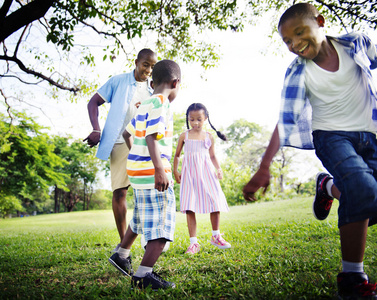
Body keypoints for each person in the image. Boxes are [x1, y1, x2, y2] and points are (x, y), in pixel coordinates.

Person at [242, 3, 377, 299]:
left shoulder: (357, 42)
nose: (295, 44)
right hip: (331, 137)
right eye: (288, 40)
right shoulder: (298, 73)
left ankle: (327, 186)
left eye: (300, 33)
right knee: (363, 188)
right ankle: (352, 278)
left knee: (368, 198)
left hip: (371, 135)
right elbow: (285, 120)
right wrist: (264, 166)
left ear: (320, 21)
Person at [108, 59, 181, 290]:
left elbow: (128, 134)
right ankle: (143, 275)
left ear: (152, 81)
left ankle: (121, 254)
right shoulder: (162, 103)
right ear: (175, 83)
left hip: (138, 173)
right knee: (162, 224)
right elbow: (151, 136)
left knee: (140, 218)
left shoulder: (146, 103)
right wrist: (159, 168)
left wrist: (137, 156)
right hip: (154, 173)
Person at [83, 49, 157, 251]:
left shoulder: (153, 89)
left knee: (147, 191)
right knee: (120, 193)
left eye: (152, 66)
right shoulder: (118, 81)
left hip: (143, 143)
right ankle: (124, 243)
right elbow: (93, 102)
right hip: (118, 142)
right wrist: (96, 129)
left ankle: (148, 237)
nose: (148, 70)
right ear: (136, 62)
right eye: (145, 65)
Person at [174, 103, 231, 255]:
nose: (195, 123)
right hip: (189, 174)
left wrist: (219, 169)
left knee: (215, 200)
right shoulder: (184, 136)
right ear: (188, 119)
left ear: (205, 118)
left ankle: (216, 235)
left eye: (199, 119)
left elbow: (212, 156)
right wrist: (175, 170)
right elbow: (177, 155)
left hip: (206, 173)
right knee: (189, 206)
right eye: (192, 119)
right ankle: (194, 243)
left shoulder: (209, 136)